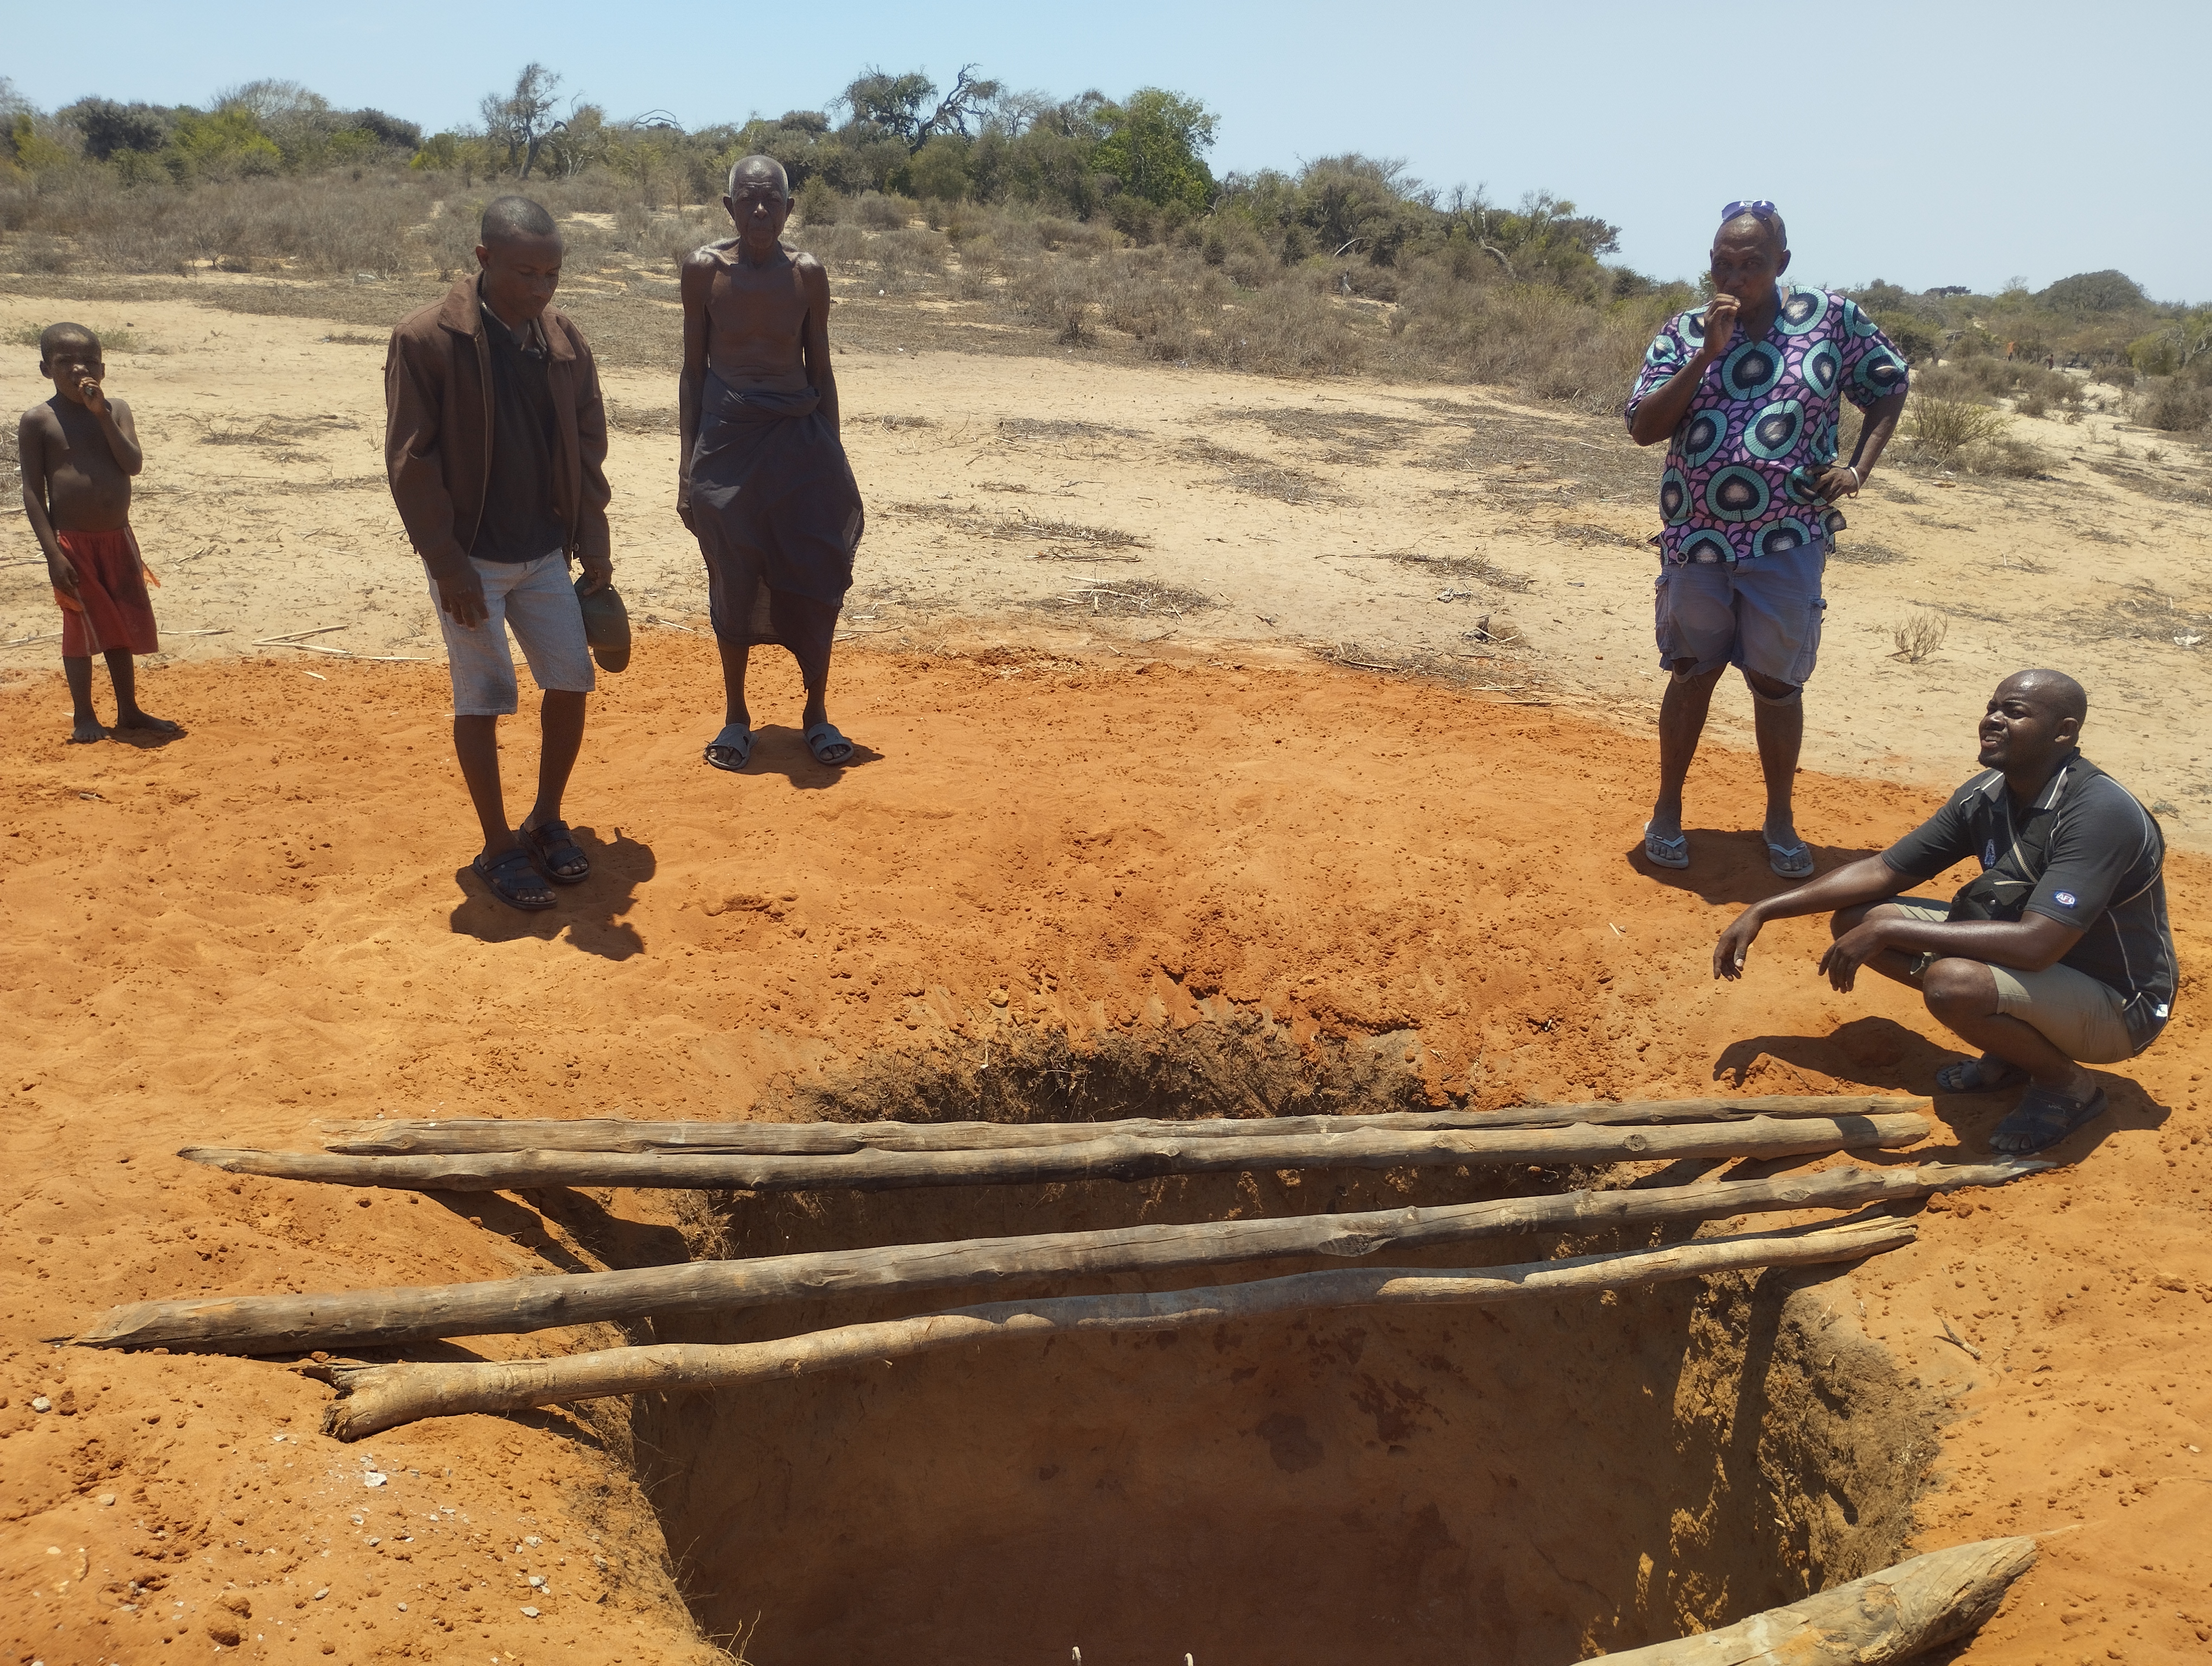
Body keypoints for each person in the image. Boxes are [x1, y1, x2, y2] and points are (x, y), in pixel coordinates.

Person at [1714, 670, 2177, 1156]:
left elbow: (2038, 944)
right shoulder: (1990, 792)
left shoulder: (2098, 812)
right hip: (2050, 971)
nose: (1992, 720)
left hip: (2120, 1004)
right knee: (1857, 920)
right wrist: (1764, 909)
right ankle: (2015, 1049)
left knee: (1953, 982)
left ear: (2063, 732)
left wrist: (1891, 927)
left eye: (2013, 713)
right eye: (1991, 707)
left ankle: (2066, 1086)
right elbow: (1884, 870)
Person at [1626, 201, 1911, 880]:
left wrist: (1858, 468)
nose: (1735, 274)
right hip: (1696, 538)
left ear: (1782, 263)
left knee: (1777, 684)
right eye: (1723, 261)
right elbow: (1643, 426)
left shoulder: (1831, 318)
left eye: (1751, 263)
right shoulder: (1686, 330)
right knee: (1691, 675)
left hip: (1787, 538)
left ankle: (1778, 817)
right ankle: (1668, 809)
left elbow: (1890, 385)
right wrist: (1706, 356)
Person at [384, 195, 613, 911]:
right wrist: (448, 563)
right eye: (525, 273)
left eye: (553, 274)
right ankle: (497, 846)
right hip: (471, 558)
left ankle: (546, 818)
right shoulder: (426, 339)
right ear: (483, 261)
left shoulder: (563, 338)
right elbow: (411, 462)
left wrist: (593, 541)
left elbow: (586, 445)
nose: (541, 290)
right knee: (483, 697)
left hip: (545, 551)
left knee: (571, 681)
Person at [679, 154, 864, 771]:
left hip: (798, 444)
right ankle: (737, 716)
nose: (762, 210)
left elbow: (822, 369)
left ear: (791, 207)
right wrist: (688, 469)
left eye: (774, 200)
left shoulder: (807, 276)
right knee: (732, 578)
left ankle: (816, 711)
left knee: (816, 573)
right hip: (728, 446)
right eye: (749, 199)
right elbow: (692, 372)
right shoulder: (704, 272)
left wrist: (831, 459)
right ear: (728, 206)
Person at [17, 323, 178, 744]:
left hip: (118, 538)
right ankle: (84, 715)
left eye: (88, 361)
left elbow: (132, 464)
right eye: (65, 362)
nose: (78, 370)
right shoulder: (39, 420)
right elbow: (34, 492)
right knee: (81, 627)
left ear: (103, 369)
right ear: (45, 369)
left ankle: (129, 710)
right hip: (73, 544)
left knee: (120, 624)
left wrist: (102, 415)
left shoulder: (117, 409)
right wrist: (53, 554)